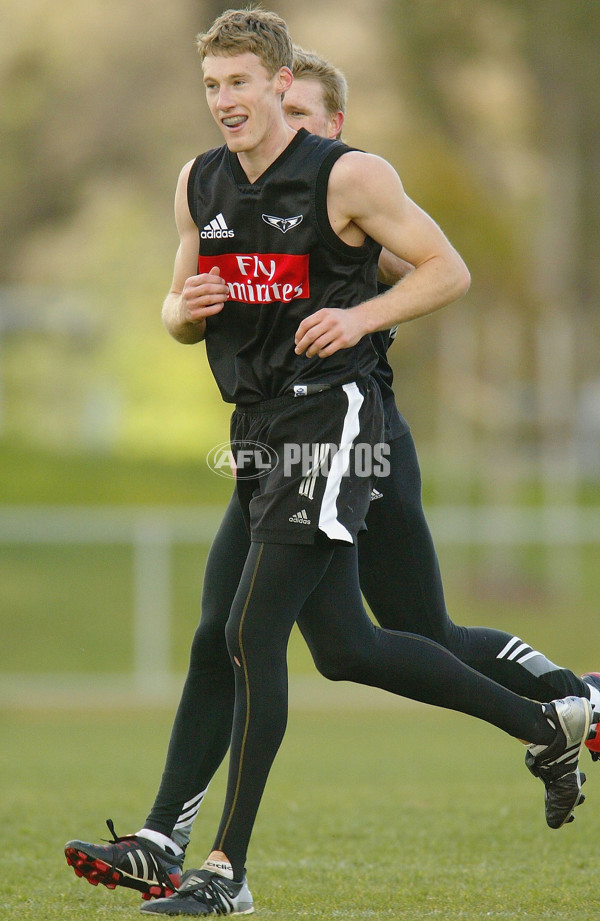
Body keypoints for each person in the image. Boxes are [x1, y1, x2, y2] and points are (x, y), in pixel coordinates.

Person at [64, 13, 598, 917]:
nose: (224, 101)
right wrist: (182, 311)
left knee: (249, 632)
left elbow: (447, 268)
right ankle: (545, 721)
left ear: (280, 86)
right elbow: (178, 307)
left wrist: (359, 318)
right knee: (316, 644)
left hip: (338, 422)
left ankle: (220, 870)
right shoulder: (198, 180)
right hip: (257, 427)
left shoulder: (350, 174)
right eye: (212, 86)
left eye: (240, 83)